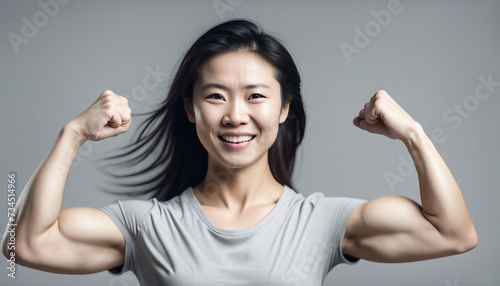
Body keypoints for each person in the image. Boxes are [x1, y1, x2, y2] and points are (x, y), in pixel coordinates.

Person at [2, 19, 477, 285]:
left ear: (284, 108)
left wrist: (414, 135)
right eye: (214, 96)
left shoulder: (322, 222)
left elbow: (453, 234)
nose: (234, 115)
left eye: (255, 96)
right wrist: (71, 136)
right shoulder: (148, 225)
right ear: (190, 110)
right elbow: (22, 245)